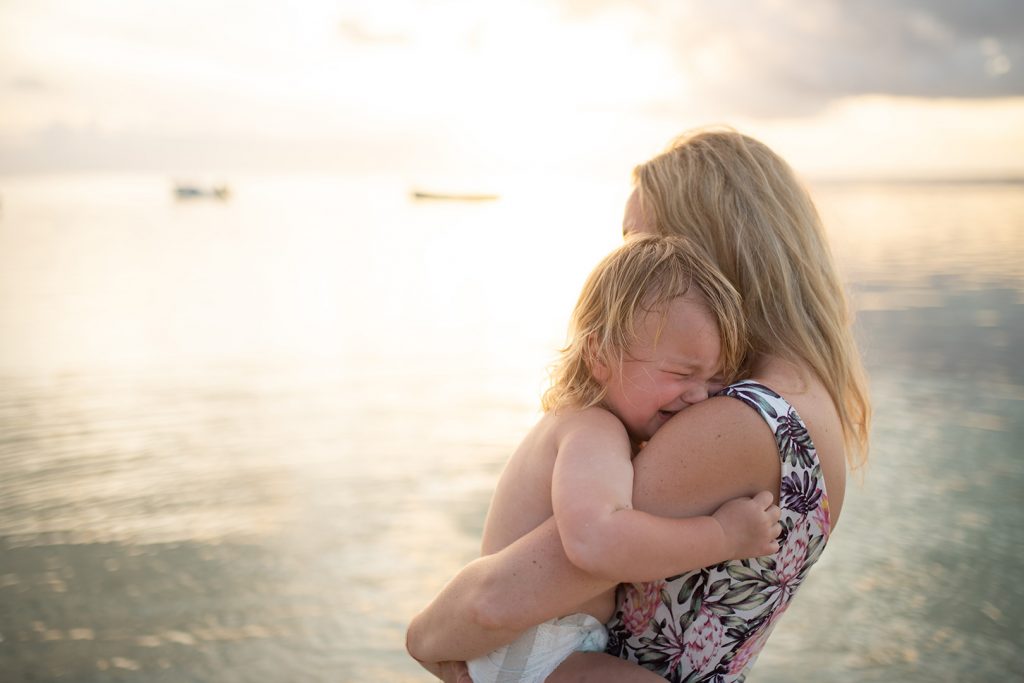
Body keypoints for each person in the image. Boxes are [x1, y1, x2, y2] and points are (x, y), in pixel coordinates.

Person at [406, 128, 871, 683]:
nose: (626, 268)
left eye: (637, 243)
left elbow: (491, 606)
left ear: (695, 256)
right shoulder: (805, 401)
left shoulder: (736, 424)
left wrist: (425, 634)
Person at [438, 235, 782, 683]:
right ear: (600, 355)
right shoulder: (591, 430)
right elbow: (593, 542)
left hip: (543, 645)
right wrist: (723, 535)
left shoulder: (590, 427)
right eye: (680, 374)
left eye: (717, 380)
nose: (699, 396)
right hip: (536, 650)